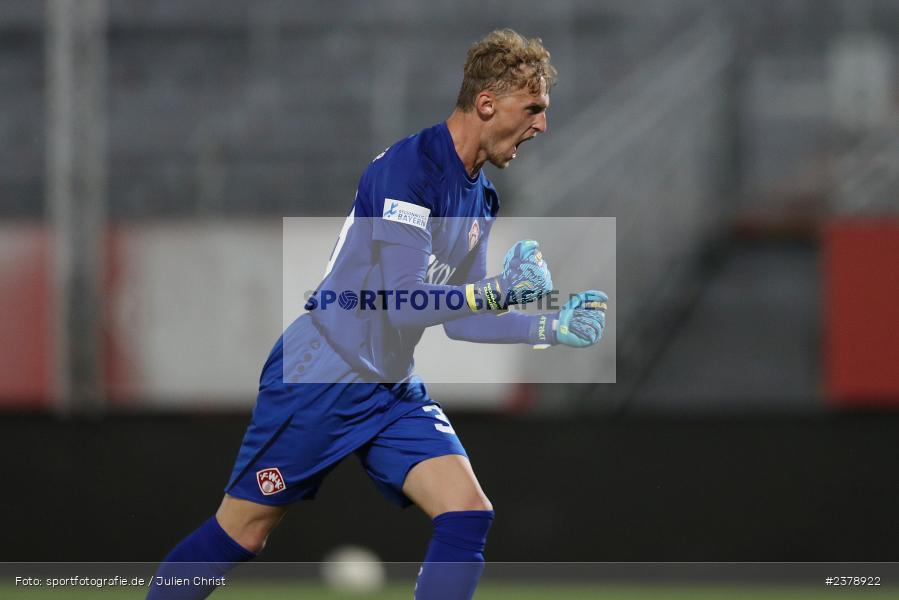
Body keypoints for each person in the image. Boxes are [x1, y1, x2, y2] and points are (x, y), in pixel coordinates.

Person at [147, 29, 607, 600]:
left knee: (467, 512)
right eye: (533, 109)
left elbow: (461, 318)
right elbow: (403, 300)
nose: (542, 125)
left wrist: (550, 327)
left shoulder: (481, 199)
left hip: (389, 386)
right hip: (323, 373)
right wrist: (497, 291)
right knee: (242, 532)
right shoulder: (410, 170)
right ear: (487, 104)